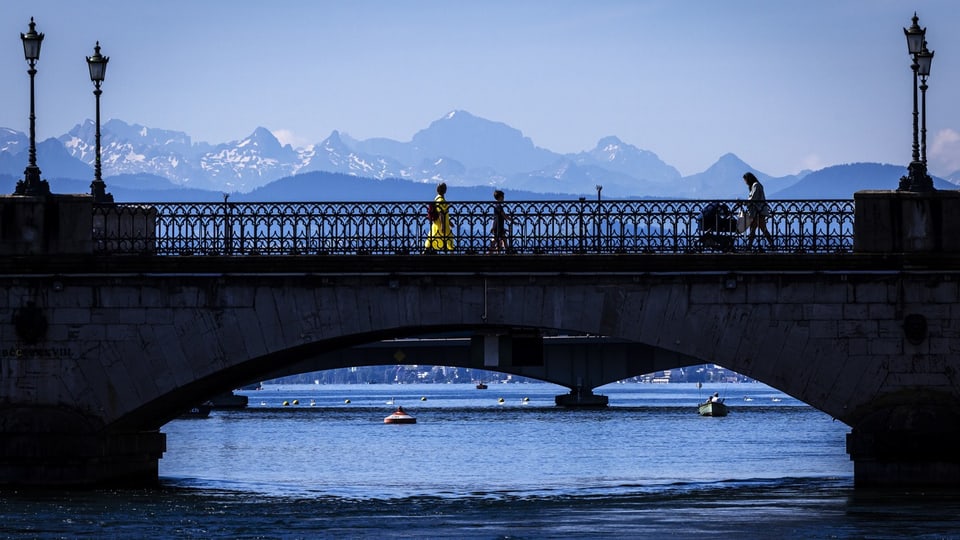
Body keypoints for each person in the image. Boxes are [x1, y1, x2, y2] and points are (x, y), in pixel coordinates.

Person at [741, 172, 774, 251]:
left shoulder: (756, 185)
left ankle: (750, 246)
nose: (745, 182)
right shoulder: (755, 185)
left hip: (758, 211)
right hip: (758, 211)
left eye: (745, 180)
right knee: (758, 228)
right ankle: (771, 244)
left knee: (756, 229)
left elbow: (753, 198)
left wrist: (744, 202)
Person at [424, 182, 455, 253]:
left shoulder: (437, 198)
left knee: (432, 235)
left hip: (437, 222)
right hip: (442, 222)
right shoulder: (441, 200)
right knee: (448, 236)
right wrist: (443, 225)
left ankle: (426, 249)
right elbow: (441, 213)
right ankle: (452, 252)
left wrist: (449, 222)